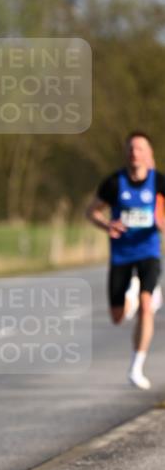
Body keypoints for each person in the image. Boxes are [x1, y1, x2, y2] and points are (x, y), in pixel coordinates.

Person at [86, 131, 164, 389]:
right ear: (125, 153)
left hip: (149, 251)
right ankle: (133, 292)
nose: (134, 153)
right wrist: (107, 224)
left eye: (140, 148)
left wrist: (162, 223)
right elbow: (91, 211)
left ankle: (136, 367)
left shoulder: (159, 182)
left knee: (146, 306)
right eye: (131, 148)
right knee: (118, 317)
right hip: (121, 254)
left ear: (149, 154)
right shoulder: (113, 183)